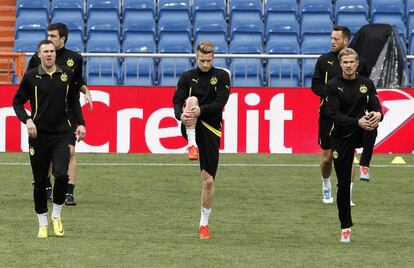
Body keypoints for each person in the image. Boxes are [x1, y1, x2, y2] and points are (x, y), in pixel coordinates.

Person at [13, 39, 86, 238]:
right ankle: (42, 223)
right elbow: (17, 102)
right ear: (39, 55)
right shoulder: (31, 77)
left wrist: (80, 123)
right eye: (45, 51)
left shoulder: (67, 75)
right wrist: (27, 120)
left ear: (55, 53)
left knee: (62, 175)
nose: (49, 54)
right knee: (39, 181)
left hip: (62, 133)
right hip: (39, 136)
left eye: (52, 51)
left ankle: (56, 216)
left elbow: (73, 102)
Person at [28, 23, 92, 206]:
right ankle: (46, 187)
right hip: (45, 114)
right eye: (47, 36)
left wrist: (85, 89)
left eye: (53, 36)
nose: (49, 40)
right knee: (46, 154)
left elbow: (77, 81)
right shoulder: (37, 57)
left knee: (70, 152)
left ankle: (68, 192)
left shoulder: (75, 58)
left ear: (62, 39)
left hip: (67, 113)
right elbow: (30, 79)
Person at [311, 25, 376, 206]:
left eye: (336, 39)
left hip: (351, 117)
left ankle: (347, 195)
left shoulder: (358, 62)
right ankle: (326, 186)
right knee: (326, 158)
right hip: (328, 116)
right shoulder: (323, 60)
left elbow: (364, 87)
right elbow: (315, 86)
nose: (332, 41)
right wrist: (333, 94)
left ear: (345, 40)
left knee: (349, 155)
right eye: (331, 38)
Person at [173, 41, 230, 240]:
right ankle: (191, 144)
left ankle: (204, 224)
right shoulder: (187, 77)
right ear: (196, 58)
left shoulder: (222, 76)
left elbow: (220, 102)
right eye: (202, 60)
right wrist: (180, 115)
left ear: (214, 58)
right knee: (191, 100)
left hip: (211, 128)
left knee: (208, 181)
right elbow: (177, 101)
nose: (205, 64)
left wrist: (202, 111)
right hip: (190, 124)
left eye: (209, 60)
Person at [325, 48, 382, 242]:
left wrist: (378, 114)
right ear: (340, 64)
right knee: (342, 186)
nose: (348, 65)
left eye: (352, 62)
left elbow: (375, 106)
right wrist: (356, 121)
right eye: (345, 62)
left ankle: (364, 165)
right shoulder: (332, 86)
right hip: (341, 136)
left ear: (357, 64)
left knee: (372, 122)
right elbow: (333, 114)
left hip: (360, 131)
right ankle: (345, 228)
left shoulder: (367, 84)